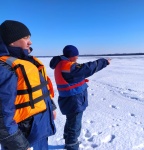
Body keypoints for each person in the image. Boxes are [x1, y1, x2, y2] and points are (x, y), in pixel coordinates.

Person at [0, 20, 56, 150]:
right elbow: (2, 118)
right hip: (22, 138)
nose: (30, 42)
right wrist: (20, 146)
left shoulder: (27, 62)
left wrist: (51, 106)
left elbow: (39, 89)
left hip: (38, 129)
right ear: (11, 41)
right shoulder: (5, 68)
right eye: (25, 38)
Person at [49, 45, 111, 150]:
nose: (77, 57)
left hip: (69, 99)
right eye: (75, 55)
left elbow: (77, 74)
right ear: (70, 56)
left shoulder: (64, 64)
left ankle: (68, 140)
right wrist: (103, 62)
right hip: (73, 100)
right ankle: (72, 146)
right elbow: (86, 69)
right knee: (75, 124)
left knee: (71, 121)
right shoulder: (66, 66)